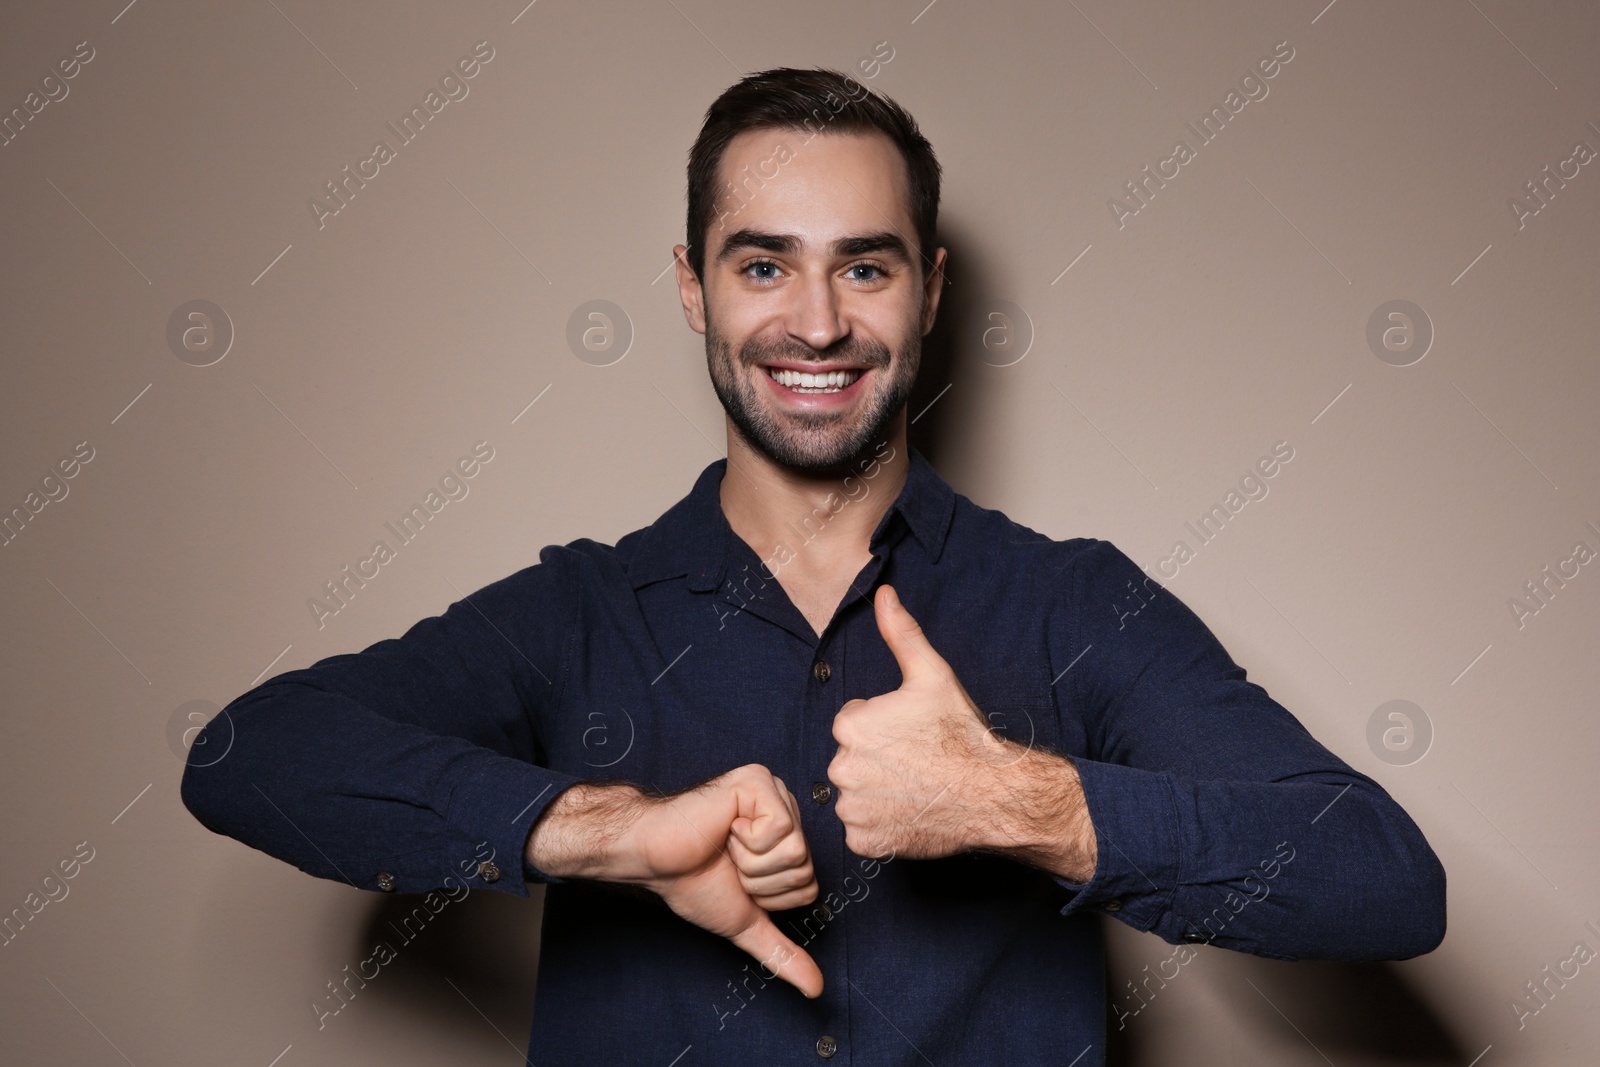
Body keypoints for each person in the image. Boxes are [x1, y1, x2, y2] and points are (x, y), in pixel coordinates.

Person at [181, 67, 1446, 1065]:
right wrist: (606, 831)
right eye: (763, 263)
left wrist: (1017, 803)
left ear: (930, 290)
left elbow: (1381, 880)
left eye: (866, 265)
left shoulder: (1074, 604)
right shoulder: (578, 612)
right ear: (692, 287)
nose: (819, 321)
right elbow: (250, 755)